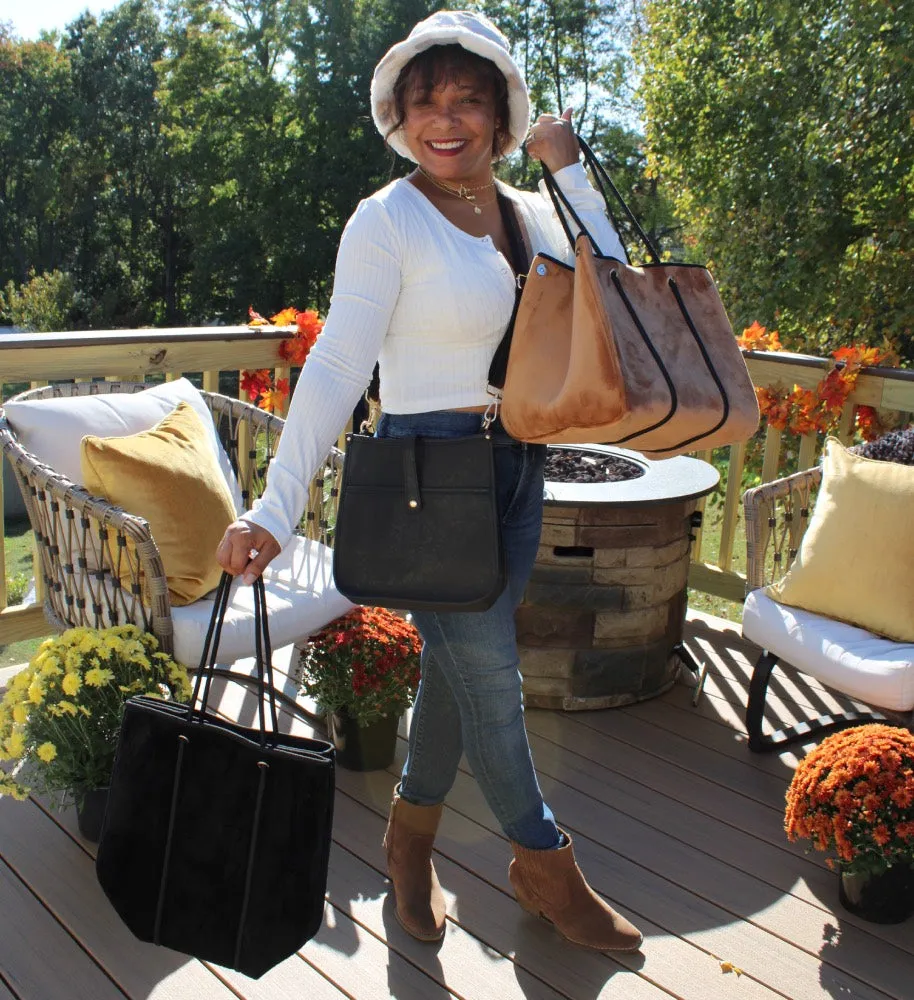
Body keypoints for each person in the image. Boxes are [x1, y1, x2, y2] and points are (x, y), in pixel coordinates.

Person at [216, 9, 642, 954]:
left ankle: (408, 844)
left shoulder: (528, 213)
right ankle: (547, 867)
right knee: (491, 680)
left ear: (499, 114)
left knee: (457, 679)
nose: (445, 120)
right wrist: (274, 509)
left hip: (517, 468)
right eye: (425, 103)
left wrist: (567, 168)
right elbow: (334, 367)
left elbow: (607, 275)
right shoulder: (386, 219)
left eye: (468, 101)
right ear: (399, 118)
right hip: (426, 477)